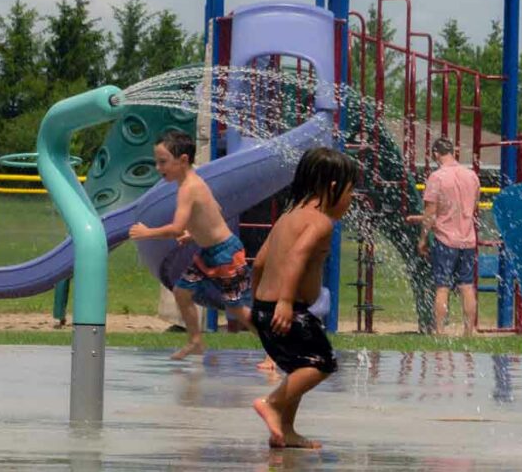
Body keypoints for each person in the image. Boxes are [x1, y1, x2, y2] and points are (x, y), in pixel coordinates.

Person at [251, 147, 359, 449]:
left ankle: (285, 429)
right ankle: (271, 404)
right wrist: (285, 302)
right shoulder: (320, 221)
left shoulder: (288, 216)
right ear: (334, 188)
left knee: (299, 367)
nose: (351, 201)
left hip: (265, 307)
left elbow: (260, 261)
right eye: (350, 192)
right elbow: (298, 255)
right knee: (321, 363)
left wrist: (257, 304)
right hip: (287, 309)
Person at [129, 130, 253, 360]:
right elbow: (215, 210)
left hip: (226, 253)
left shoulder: (188, 188)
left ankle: (275, 352)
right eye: (157, 162)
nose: (158, 167)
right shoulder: (194, 181)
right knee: (182, 291)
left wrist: (147, 233)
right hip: (209, 252)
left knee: (237, 308)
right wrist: (195, 234)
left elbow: (175, 229)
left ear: (183, 160)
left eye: (163, 162)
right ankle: (195, 341)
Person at [410, 137, 480, 336]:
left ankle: (439, 331)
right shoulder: (472, 176)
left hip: (445, 239)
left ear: (435, 154)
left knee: (442, 287)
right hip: (468, 239)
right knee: (467, 286)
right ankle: (468, 332)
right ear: (453, 152)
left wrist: (423, 239)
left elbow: (431, 213)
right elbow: (472, 207)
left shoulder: (437, 178)